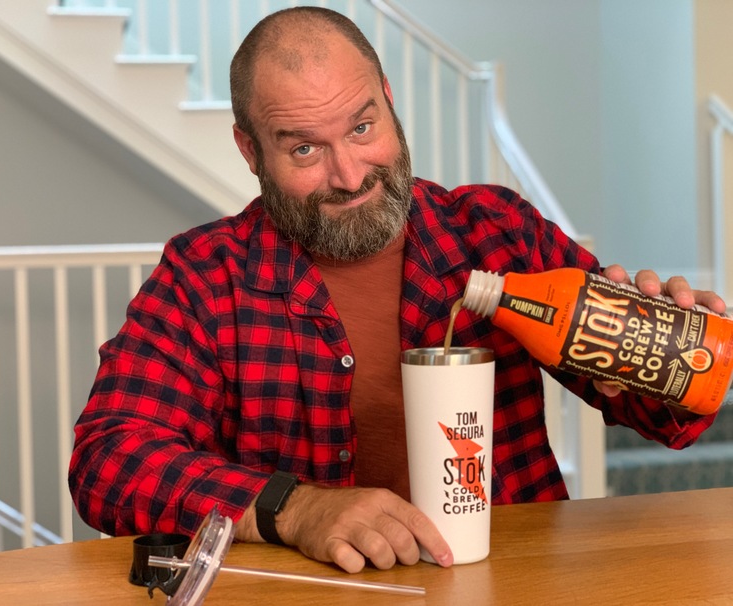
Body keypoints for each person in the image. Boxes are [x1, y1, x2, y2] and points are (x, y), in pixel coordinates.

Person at [68, 7, 726, 574]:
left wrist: (658, 364)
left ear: (388, 97)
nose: (349, 174)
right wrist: (294, 507)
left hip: (514, 583)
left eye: (362, 128)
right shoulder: (205, 276)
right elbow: (107, 459)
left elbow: (667, 422)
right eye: (304, 150)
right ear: (250, 150)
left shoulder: (496, 234)